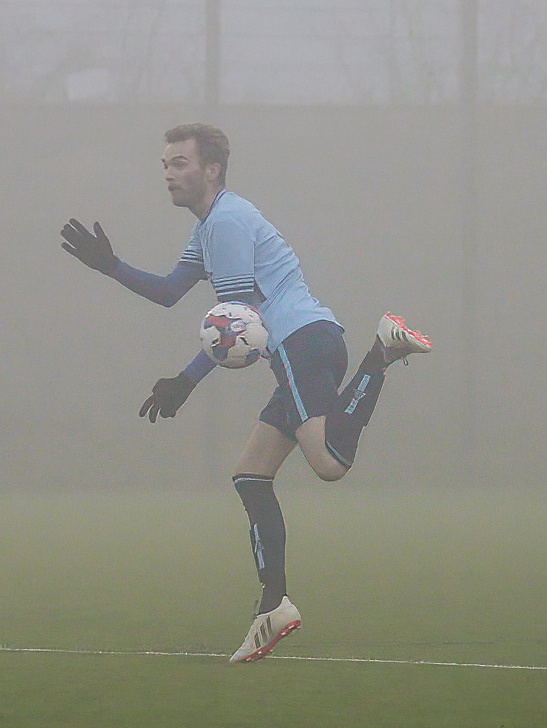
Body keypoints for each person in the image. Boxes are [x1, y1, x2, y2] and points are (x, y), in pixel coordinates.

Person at [60, 123, 430, 661]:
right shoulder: (209, 226)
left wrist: (186, 381)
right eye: (165, 164)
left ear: (211, 169)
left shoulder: (228, 221)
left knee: (329, 463)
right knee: (251, 475)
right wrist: (110, 266)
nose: (168, 172)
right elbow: (169, 292)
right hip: (300, 347)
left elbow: (238, 323)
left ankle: (382, 352)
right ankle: (273, 607)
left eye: (180, 163)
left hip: (301, 342)